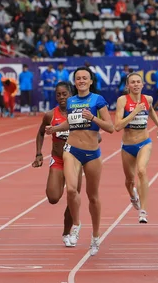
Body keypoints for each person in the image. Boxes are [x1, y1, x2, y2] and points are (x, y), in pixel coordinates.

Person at [45, 67, 114, 256]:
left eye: (85, 78)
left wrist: (93, 118)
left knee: (93, 196)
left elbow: (110, 127)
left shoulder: (98, 100)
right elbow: (70, 123)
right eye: (78, 78)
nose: (81, 81)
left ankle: (95, 236)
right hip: (72, 150)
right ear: (75, 82)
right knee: (71, 189)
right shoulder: (71, 101)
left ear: (91, 81)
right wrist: (55, 128)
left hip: (92, 153)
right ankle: (76, 225)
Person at [114, 73, 158, 224]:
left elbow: (151, 111)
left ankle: (143, 211)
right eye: (132, 82)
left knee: (142, 171)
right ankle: (132, 196)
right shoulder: (122, 100)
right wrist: (134, 113)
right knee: (129, 180)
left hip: (144, 142)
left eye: (138, 82)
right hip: (128, 145)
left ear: (142, 84)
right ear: (128, 85)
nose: (136, 84)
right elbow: (117, 126)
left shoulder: (148, 99)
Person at [33, 82, 79, 247]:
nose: (61, 98)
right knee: (53, 197)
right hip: (58, 160)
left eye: (64, 94)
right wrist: (39, 153)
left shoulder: (79, 113)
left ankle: (67, 232)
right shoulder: (50, 115)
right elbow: (40, 133)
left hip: (76, 161)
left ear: (71, 95)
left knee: (73, 198)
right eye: (58, 94)